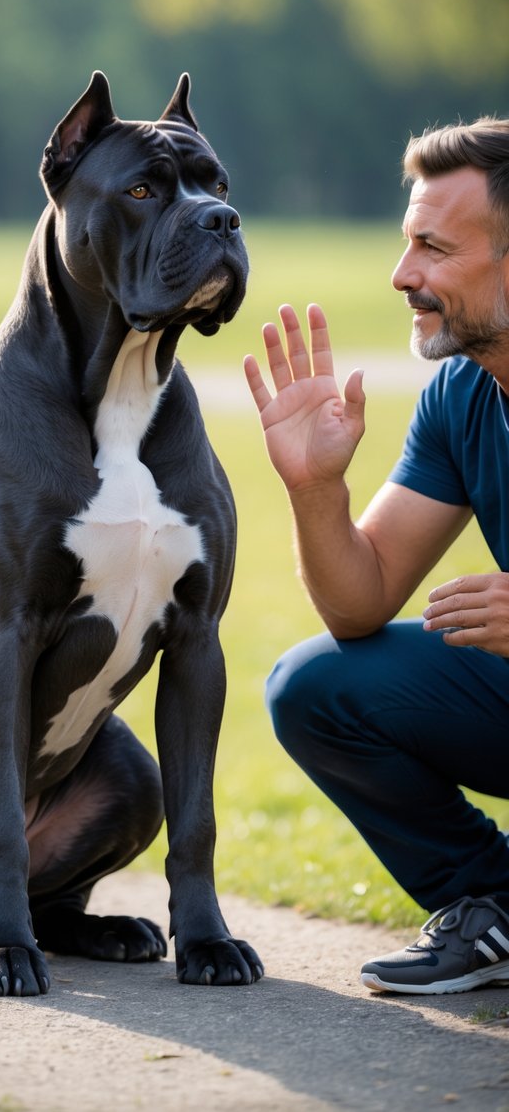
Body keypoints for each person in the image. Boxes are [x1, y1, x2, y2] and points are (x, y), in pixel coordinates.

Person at [243, 117, 509, 995]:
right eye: (407, 245)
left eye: (433, 248)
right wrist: (317, 488)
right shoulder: (462, 393)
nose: (403, 277)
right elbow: (359, 605)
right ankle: (494, 902)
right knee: (317, 686)